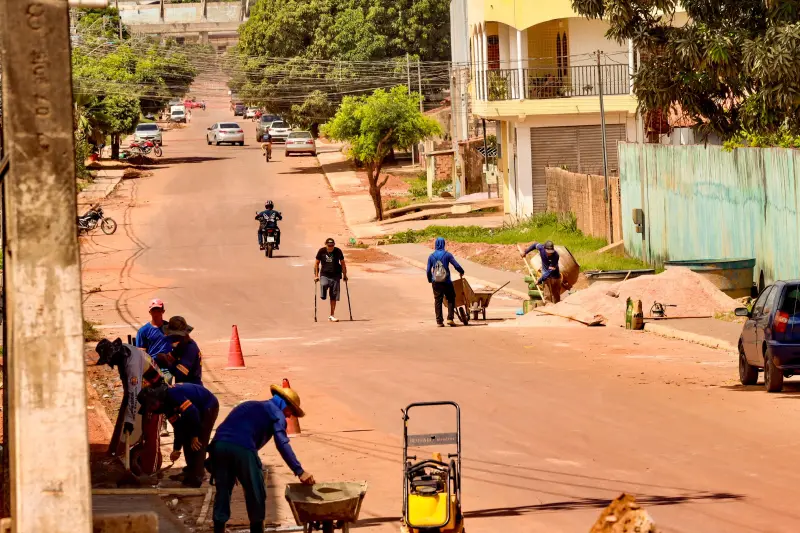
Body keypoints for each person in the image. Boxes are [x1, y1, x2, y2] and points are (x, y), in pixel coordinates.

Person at [208, 384, 315, 533]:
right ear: (285, 404)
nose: (289, 416)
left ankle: (219, 529)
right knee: (256, 491)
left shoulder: (250, 405)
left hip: (218, 446)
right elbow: (282, 443)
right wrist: (299, 471)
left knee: (223, 491)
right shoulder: (276, 413)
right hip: (243, 448)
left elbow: (227, 429)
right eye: (291, 411)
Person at [96, 337, 165, 474]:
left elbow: (134, 395)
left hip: (155, 394)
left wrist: (130, 421)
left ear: (114, 356)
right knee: (130, 422)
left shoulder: (132, 365)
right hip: (145, 391)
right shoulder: (124, 351)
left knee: (150, 433)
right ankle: (123, 456)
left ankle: (150, 472)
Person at [138, 382, 219, 487]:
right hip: (192, 411)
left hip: (207, 407)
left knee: (198, 443)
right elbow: (178, 427)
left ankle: (197, 477)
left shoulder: (173, 394)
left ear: (156, 401)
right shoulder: (165, 406)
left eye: (151, 407)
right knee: (187, 438)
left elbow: (193, 412)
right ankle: (190, 471)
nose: (151, 410)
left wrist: (195, 435)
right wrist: (176, 448)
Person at [426, 237, 465, 327]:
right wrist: (461, 271)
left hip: (436, 282)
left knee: (438, 300)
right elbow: (456, 265)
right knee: (451, 298)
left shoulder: (431, 256)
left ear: (436, 244)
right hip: (446, 281)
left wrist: (430, 279)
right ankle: (450, 318)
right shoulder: (447, 255)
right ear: (443, 244)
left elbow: (428, 270)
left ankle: (439, 321)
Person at [161, 316, 203, 385]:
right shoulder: (181, 345)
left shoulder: (190, 349)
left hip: (191, 386)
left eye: (174, 336)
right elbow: (173, 357)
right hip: (183, 385)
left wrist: (166, 361)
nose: (172, 338)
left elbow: (179, 374)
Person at [314, 238, 347, 322]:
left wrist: (345, 275)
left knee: (334, 296)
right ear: (326, 245)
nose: (330, 247)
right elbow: (316, 263)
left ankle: (332, 315)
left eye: (332, 245)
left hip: (336, 275)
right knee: (324, 284)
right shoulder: (321, 251)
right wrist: (316, 275)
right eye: (329, 245)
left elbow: (343, 263)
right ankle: (323, 294)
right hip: (324, 275)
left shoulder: (338, 251)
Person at [520, 239, 562, 304]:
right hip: (546, 276)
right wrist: (525, 252)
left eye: (551, 252)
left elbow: (549, 272)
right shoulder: (541, 248)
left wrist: (540, 280)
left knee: (556, 296)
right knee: (547, 295)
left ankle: (557, 307)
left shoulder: (556, 256)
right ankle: (548, 306)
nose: (549, 253)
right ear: (544, 249)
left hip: (555, 277)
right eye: (548, 252)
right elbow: (534, 245)